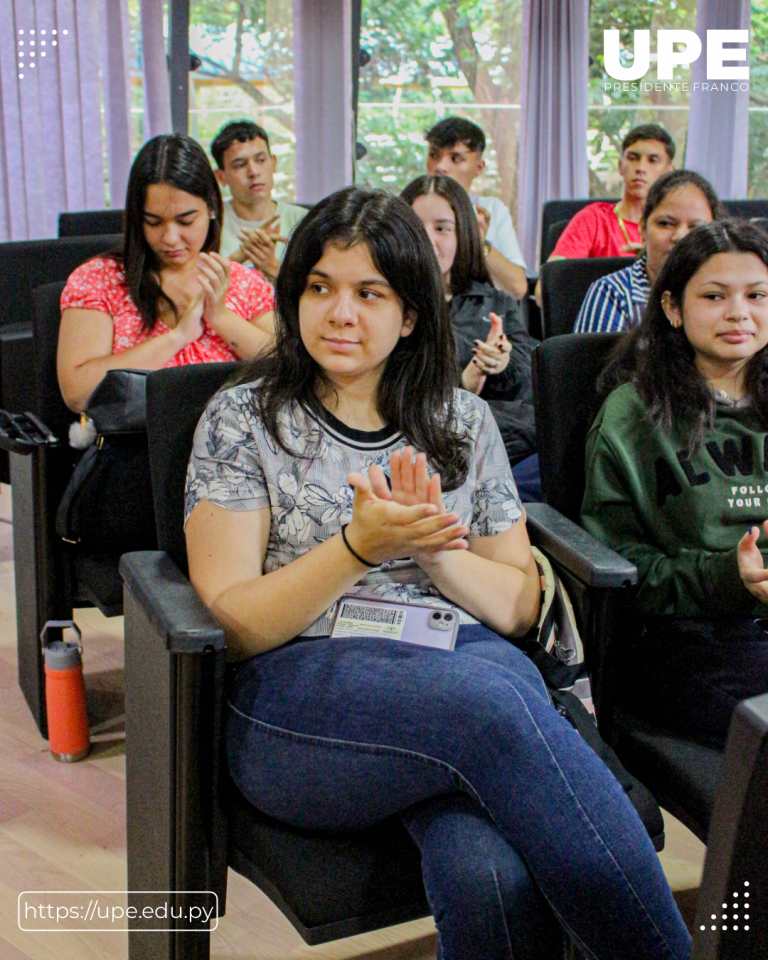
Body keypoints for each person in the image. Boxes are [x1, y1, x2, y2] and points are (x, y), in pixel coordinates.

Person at [185, 186, 691, 960]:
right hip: (297, 699)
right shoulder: (244, 417)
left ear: (411, 312)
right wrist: (357, 547)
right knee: (496, 699)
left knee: (487, 869)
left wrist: (431, 550)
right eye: (318, 288)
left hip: (457, 673)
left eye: (369, 293)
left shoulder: (461, 421)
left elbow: (520, 607)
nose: (340, 313)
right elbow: (233, 620)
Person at [582, 219, 768, 749]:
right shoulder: (633, 416)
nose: (739, 312)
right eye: (714, 296)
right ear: (672, 308)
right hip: (686, 635)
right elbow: (618, 569)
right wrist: (725, 575)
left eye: (757, 295)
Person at [58, 133, 275, 413]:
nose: (170, 238)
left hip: (231, 450)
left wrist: (220, 316)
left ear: (211, 208)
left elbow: (285, 366)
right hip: (137, 448)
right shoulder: (100, 279)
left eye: (186, 220)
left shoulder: (239, 282)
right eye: (154, 222)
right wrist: (177, 338)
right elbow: (77, 392)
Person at [401, 174, 539, 499]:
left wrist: (501, 363)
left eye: (442, 228)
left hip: (507, 439)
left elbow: (532, 386)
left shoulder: (493, 300)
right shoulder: (390, 305)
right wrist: (466, 380)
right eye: (416, 228)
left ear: (463, 234)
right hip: (429, 446)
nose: (428, 240)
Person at [535, 124, 675, 306]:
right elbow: (545, 292)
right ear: (620, 166)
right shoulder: (592, 219)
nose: (641, 167)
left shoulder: (678, 227)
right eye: (633, 158)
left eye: (653, 160)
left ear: (669, 171)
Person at [575, 170, 726, 333]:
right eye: (666, 223)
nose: (680, 236)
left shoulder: (731, 293)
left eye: (696, 227)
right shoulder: (613, 293)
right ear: (642, 229)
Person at [425, 116, 527, 300]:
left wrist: (479, 243)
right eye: (434, 155)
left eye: (456, 159)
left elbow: (517, 288)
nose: (440, 166)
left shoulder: (491, 210)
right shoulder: (410, 208)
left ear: (478, 168)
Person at [211, 120, 308, 281]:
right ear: (221, 177)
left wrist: (271, 266)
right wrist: (241, 255)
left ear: (273, 163)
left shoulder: (303, 221)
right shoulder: (210, 223)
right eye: (240, 165)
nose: (253, 172)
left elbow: (319, 289)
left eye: (261, 160)